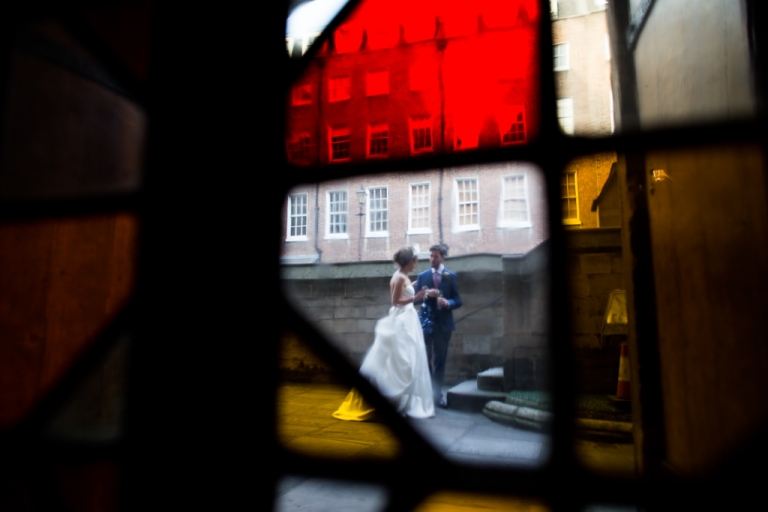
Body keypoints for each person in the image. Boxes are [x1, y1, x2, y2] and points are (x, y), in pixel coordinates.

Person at [332, 247, 435, 420]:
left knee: (408, 359)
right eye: (415, 261)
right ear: (409, 262)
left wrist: (414, 287)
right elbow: (395, 302)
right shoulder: (400, 276)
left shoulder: (402, 275)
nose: (416, 264)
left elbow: (403, 289)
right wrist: (415, 298)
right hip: (402, 321)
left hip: (408, 320)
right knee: (403, 361)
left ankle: (401, 400)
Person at [413, 244, 462, 408]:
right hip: (426, 323)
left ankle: (437, 395)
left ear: (443, 258)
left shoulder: (450, 276)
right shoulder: (422, 276)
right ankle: (427, 392)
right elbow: (416, 299)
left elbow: (458, 300)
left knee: (440, 361)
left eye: (435, 256)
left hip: (443, 326)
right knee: (424, 359)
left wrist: (446, 301)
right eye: (430, 256)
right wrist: (425, 294)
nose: (432, 259)